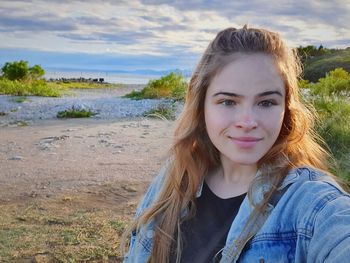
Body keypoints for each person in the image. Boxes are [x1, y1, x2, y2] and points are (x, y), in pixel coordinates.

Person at [122, 25, 350, 263]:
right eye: (228, 102)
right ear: (202, 106)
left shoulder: (311, 203)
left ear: (286, 109)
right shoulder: (174, 177)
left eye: (266, 103)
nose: (247, 122)